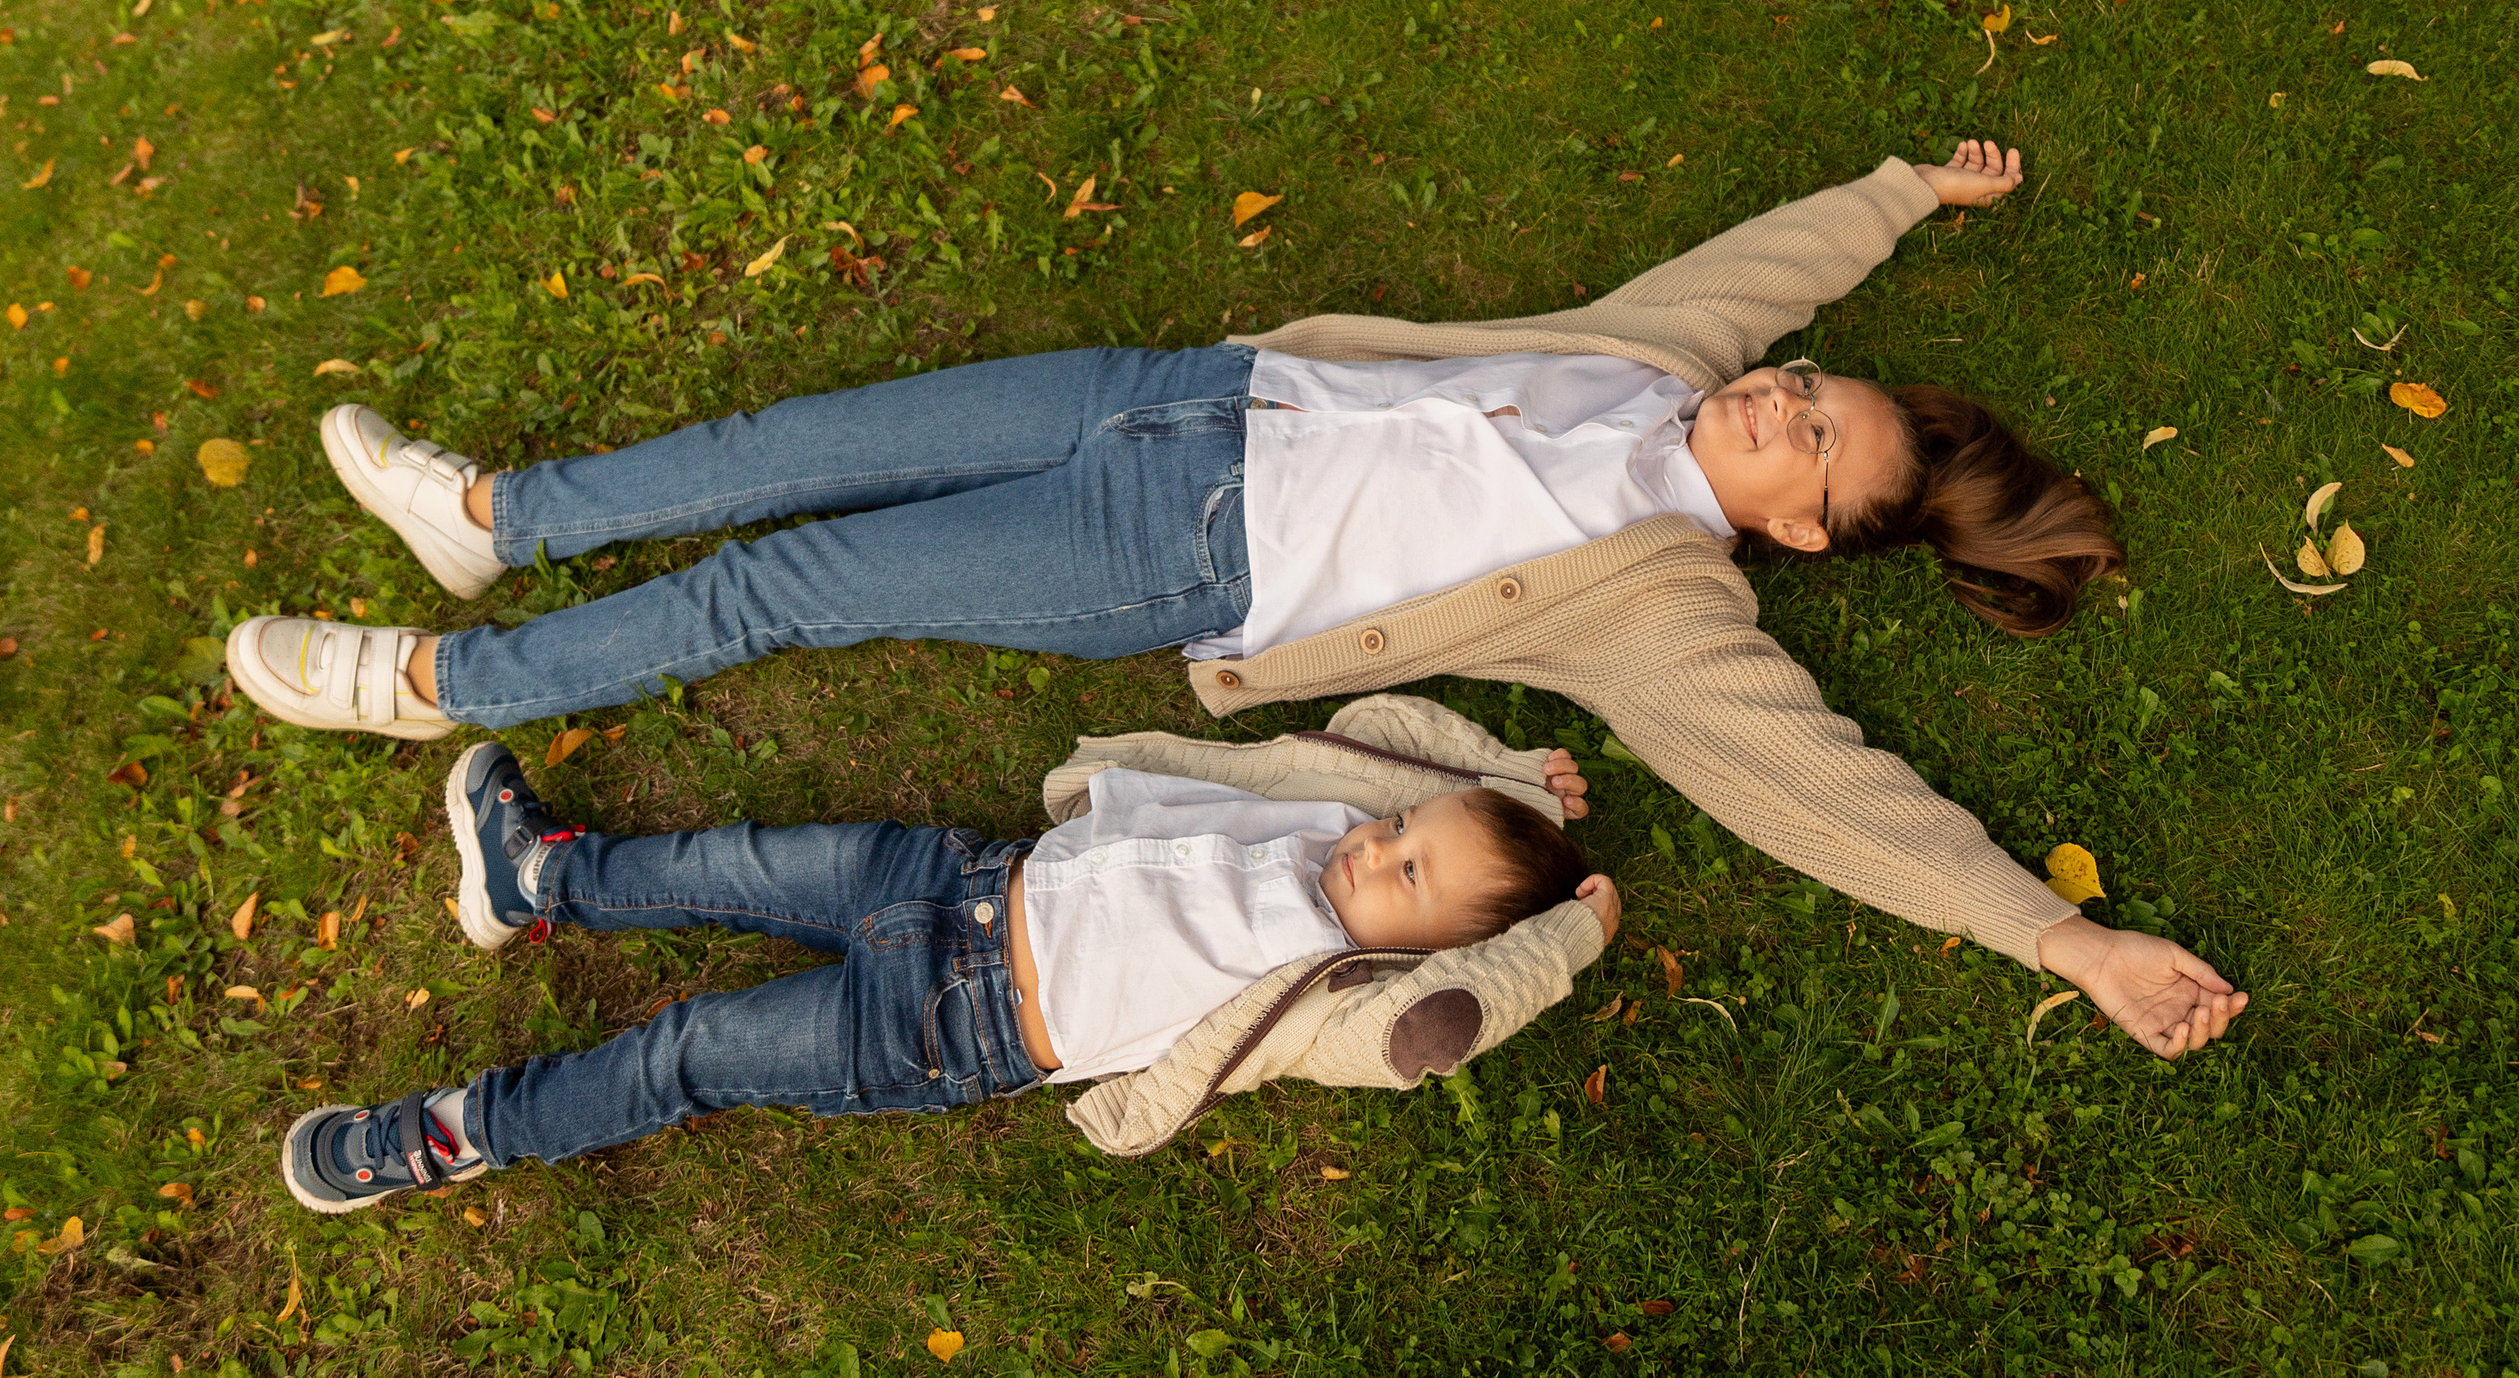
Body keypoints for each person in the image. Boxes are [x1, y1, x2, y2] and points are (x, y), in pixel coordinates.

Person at [231, 141, 2248, 1060]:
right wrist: (1905, 195)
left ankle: (437, 673)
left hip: (1177, 554)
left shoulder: (1665, 614)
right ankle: (500, 509)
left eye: (1803, 438)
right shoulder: (1663, 358)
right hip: (1181, 392)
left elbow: (1817, 787)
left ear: (1799, 534)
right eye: (1802, 385)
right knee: (805, 440)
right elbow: (1768, 262)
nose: (1773, 396)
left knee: (792, 581)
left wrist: (2058, 938)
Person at [282, 697, 1619, 1208]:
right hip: (952, 883)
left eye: (1407, 878)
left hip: (949, 1031)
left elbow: (1443, 1023)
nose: (1374, 850)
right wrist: (1506, 773)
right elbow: (1393, 729)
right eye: (1398, 832)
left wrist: (1563, 935)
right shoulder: (1329, 809)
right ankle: (543, 880)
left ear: (1426, 947)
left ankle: (449, 1136)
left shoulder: (1337, 1001)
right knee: (730, 865)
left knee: (689, 1051)